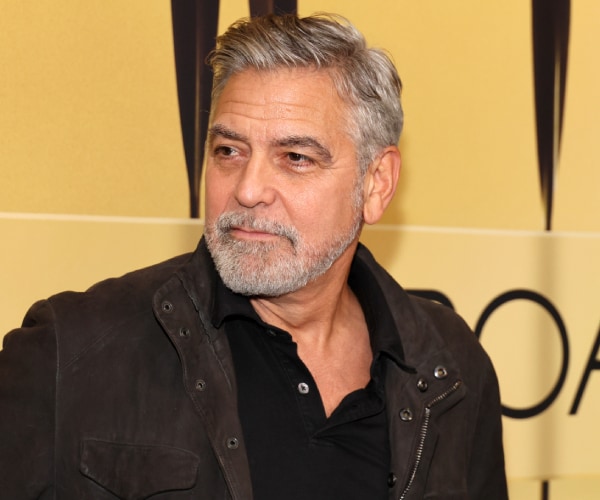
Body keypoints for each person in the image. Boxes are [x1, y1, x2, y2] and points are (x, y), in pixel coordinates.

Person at [0, 13, 508, 500]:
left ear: (376, 184)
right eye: (229, 151)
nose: (247, 189)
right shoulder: (67, 352)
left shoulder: (451, 366)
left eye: (295, 158)